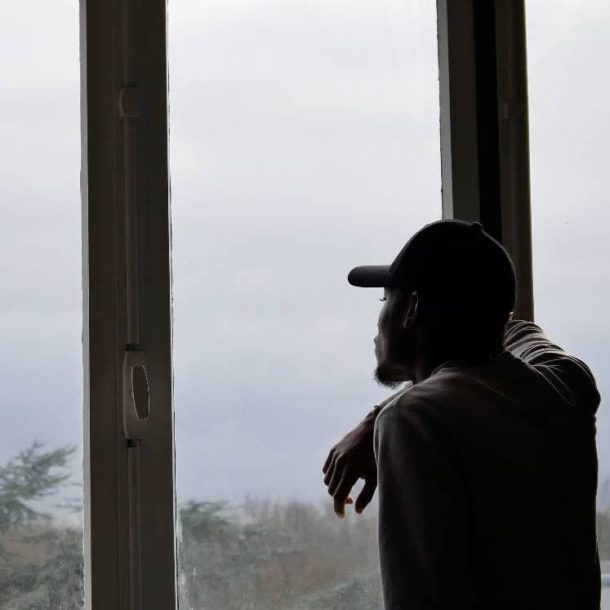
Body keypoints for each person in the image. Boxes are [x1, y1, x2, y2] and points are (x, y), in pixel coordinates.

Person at [323, 219, 600, 609]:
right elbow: (515, 330)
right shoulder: (566, 385)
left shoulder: (414, 419)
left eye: (385, 301)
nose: (378, 321)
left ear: (412, 309)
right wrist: (373, 420)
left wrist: (383, 417)